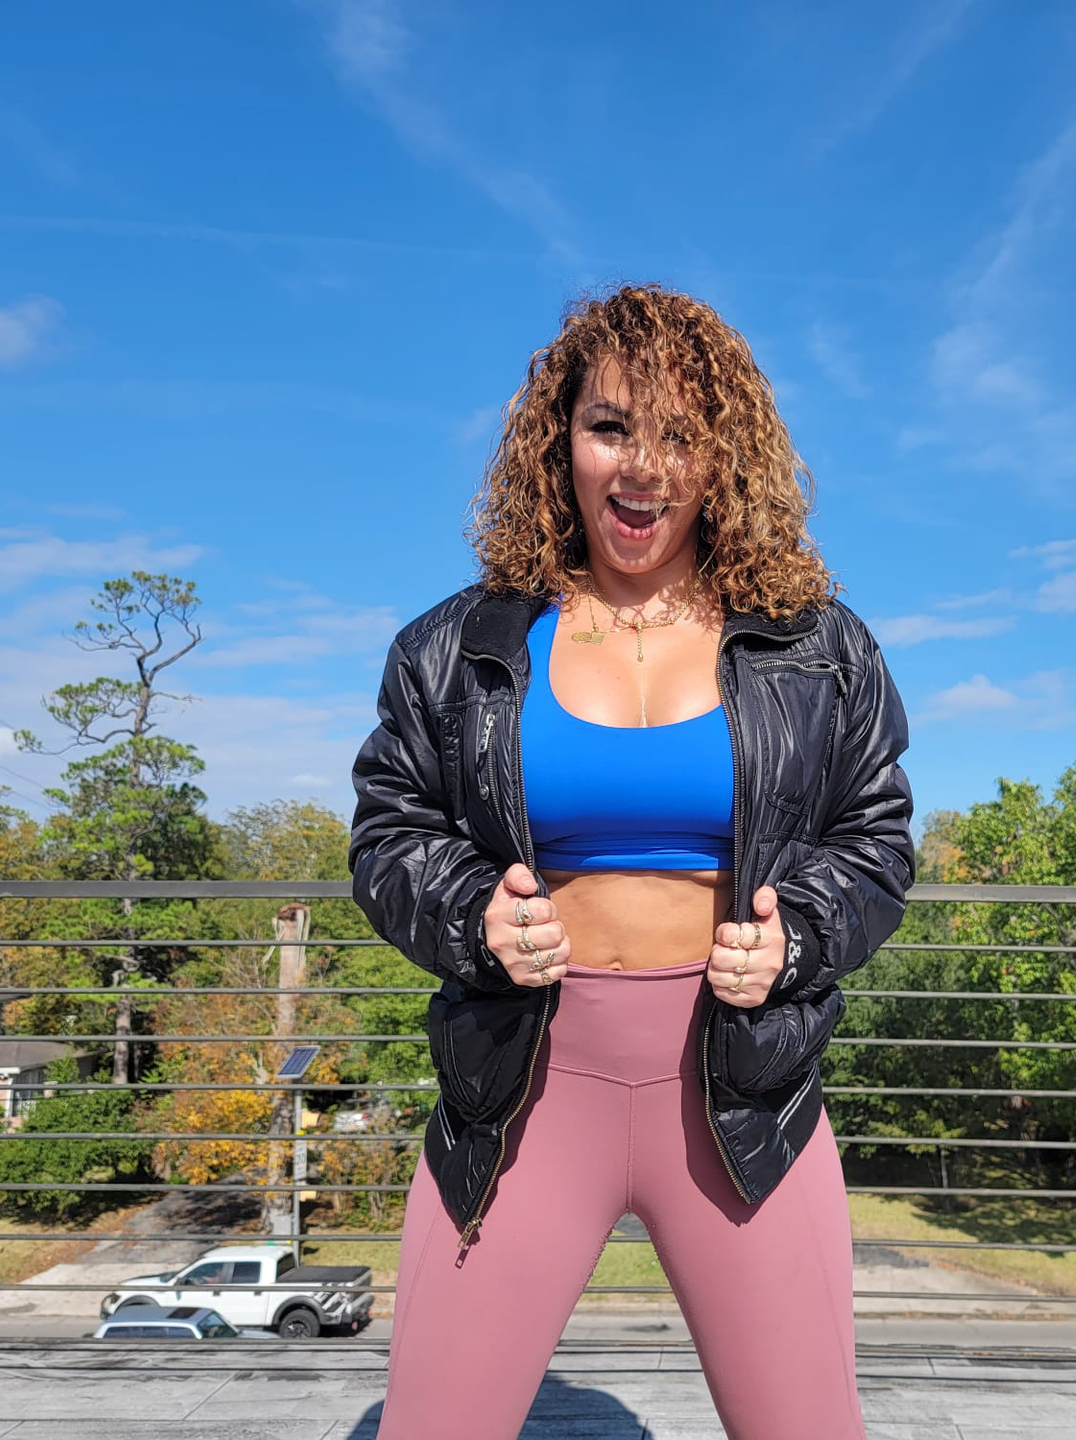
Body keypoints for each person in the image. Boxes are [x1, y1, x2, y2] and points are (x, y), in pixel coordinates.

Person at [349, 283, 914, 1438]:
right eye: (611, 427)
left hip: (745, 1096)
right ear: (560, 440)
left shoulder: (821, 647)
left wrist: (800, 934)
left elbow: (876, 839)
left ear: (727, 454)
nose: (642, 466)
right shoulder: (457, 646)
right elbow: (391, 828)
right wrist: (473, 917)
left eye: (679, 432)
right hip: (520, 1091)